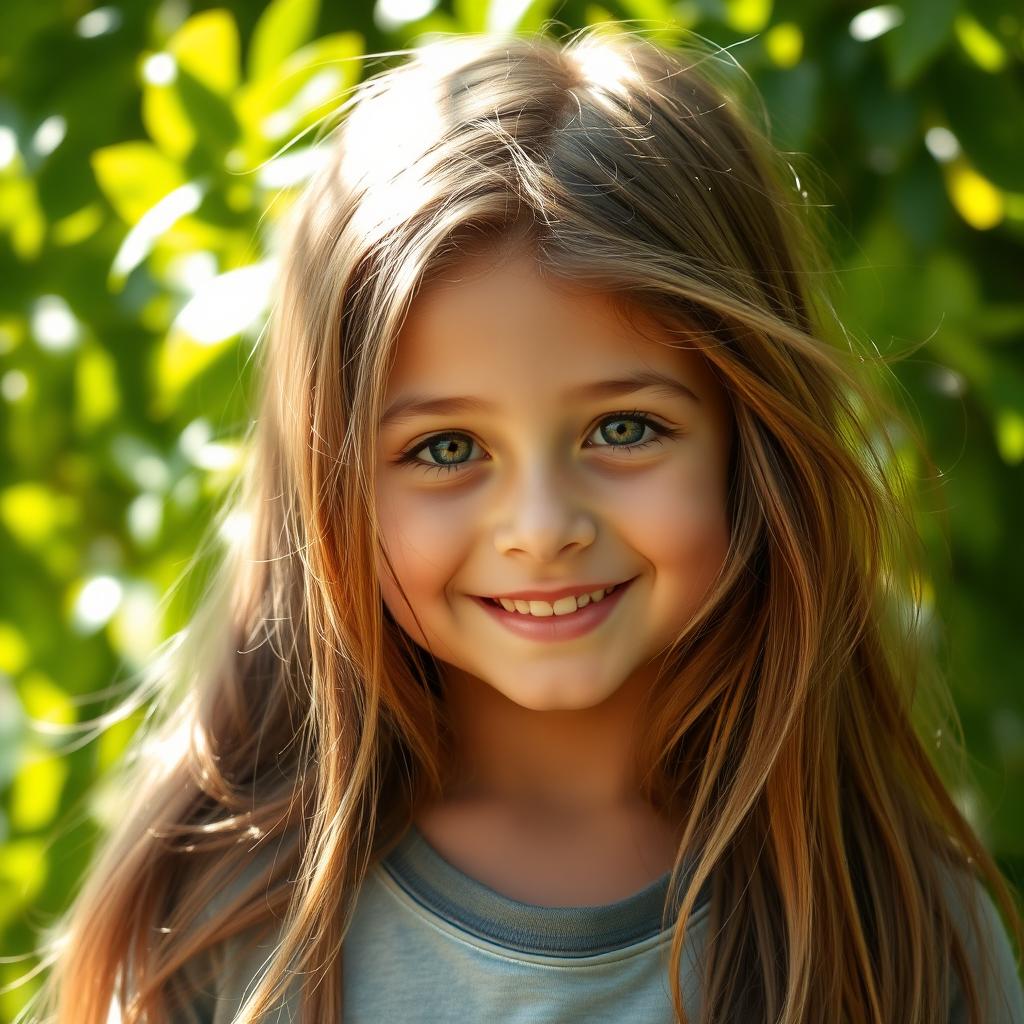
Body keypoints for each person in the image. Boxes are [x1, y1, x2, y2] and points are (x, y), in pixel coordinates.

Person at [23, 26, 1024, 1024]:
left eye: (623, 429)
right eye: (447, 448)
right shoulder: (216, 932)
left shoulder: (903, 931)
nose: (541, 528)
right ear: (327, 488)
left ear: (750, 442)